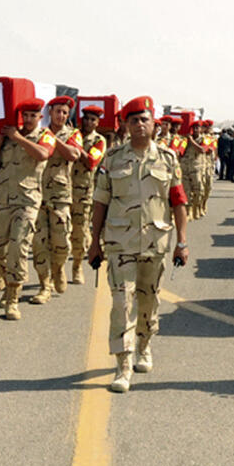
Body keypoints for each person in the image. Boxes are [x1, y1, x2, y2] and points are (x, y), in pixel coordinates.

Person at [88, 96, 190, 393]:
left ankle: (144, 346)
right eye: (134, 120)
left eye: (144, 119)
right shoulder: (112, 158)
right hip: (120, 242)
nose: (139, 125)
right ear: (126, 125)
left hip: (155, 243)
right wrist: (94, 242)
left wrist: (182, 242)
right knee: (122, 302)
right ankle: (122, 364)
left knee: (149, 301)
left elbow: (179, 202)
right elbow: (100, 202)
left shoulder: (169, 159)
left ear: (154, 124)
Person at [0, 98, 55, 320]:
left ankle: (13, 299)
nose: (27, 120)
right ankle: (5, 285)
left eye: (32, 116)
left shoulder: (45, 136)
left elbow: (43, 154)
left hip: (27, 200)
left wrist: (17, 137)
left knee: (19, 247)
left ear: (40, 117)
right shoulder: (9, 135)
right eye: (24, 115)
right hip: (1, 199)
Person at [30, 96, 82, 305]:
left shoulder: (73, 134)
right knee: (39, 243)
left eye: (64, 112)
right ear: (49, 112)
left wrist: (53, 137)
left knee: (61, 242)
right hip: (37, 193)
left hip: (60, 196)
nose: (61, 115)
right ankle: (44, 285)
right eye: (57, 111)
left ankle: (59, 268)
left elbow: (73, 155)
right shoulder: (37, 133)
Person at [70, 106, 108, 284]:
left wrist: (77, 147)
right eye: (86, 118)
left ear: (97, 123)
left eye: (93, 119)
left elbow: (91, 162)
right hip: (62, 189)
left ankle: (77, 266)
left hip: (83, 192)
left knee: (79, 230)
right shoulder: (72, 134)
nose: (88, 122)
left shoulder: (99, 140)